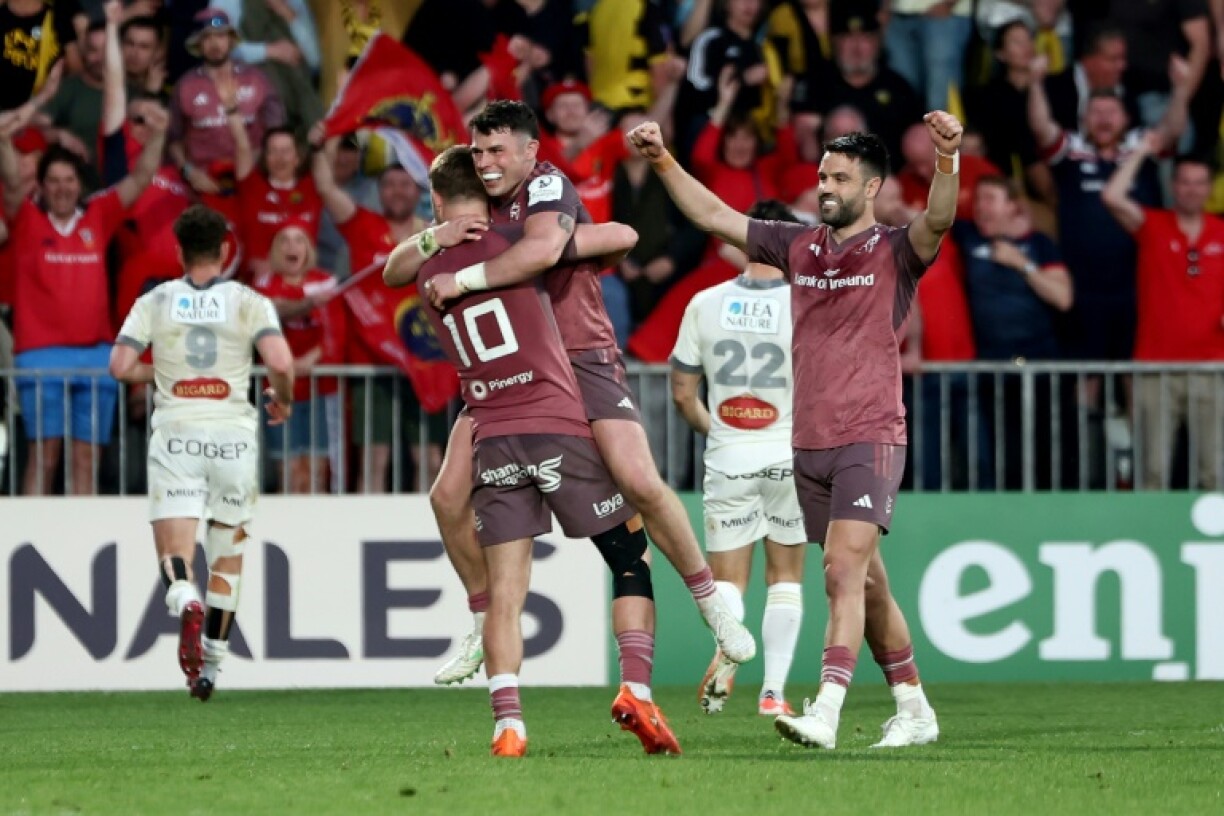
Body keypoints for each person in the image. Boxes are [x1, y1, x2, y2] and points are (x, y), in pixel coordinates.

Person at [386, 100, 755, 687]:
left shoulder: (546, 185)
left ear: (532, 150)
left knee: (637, 480)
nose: (484, 163)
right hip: (514, 371)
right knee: (447, 496)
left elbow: (566, 244)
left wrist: (473, 272)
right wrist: (436, 237)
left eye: (496, 150)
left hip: (581, 357)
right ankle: (481, 621)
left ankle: (713, 608)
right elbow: (395, 270)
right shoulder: (479, 205)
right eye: (478, 151)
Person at [627, 110, 960, 749]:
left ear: (870, 189)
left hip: (870, 432)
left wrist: (947, 159)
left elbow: (939, 218)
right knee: (867, 581)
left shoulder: (895, 250)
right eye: (821, 176)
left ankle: (826, 710)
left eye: (839, 177)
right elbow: (715, 217)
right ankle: (914, 706)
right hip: (807, 442)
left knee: (839, 569)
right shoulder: (797, 246)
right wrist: (663, 160)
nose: (825, 186)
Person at [415, 145, 680, 758]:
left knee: (502, 588)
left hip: (492, 424)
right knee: (629, 554)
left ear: (436, 204)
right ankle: (637, 686)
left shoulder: (429, 269)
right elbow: (619, 233)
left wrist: (432, 240)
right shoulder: (522, 241)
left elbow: (393, 268)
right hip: (559, 408)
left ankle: (507, 719)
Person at [108, 204, 294, 701]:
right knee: (227, 555)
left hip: (178, 432)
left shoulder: (157, 300)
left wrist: (162, 377)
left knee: (175, 550)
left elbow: (120, 364)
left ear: (178, 251)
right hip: (233, 433)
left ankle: (184, 597)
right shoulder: (247, 300)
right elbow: (279, 360)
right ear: (226, 250)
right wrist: (283, 397)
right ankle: (210, 667)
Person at [669, 198, 808, 718]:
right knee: (786, 579)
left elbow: (683, 393)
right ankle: (773, 692)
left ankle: (728, 646)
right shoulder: (805, 304)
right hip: (789, 452)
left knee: (727, 580)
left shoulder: (704, 302)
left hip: (730, 454)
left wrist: (721, 428)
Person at [0, 85, 166, 496]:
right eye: (53, 181)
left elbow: (142, 177)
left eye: (68, 180)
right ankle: (31, 535)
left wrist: (160, 133)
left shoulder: (100, 213)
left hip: (95, 353)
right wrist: (5, 136)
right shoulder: (27, 220)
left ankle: (82, 543)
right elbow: (9, 176)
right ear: (41, 186)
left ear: (79, 184)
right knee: (45, 454)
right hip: (40, 355)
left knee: (85, 457)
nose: (61, 188)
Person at [1102, 140, 1224, 490]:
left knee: (1214, 472)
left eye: (1200, 182)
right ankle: (1151, 542)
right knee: (1152, 471)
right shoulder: (1153, 225)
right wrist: (1140, 151)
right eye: (1184, 181)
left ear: (1210, 187)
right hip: (1156, 368)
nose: (1191, 189)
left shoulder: (1221, 232)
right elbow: (1112, 196)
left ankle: (1213, 545)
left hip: (1212, 367)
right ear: (1173, 186)